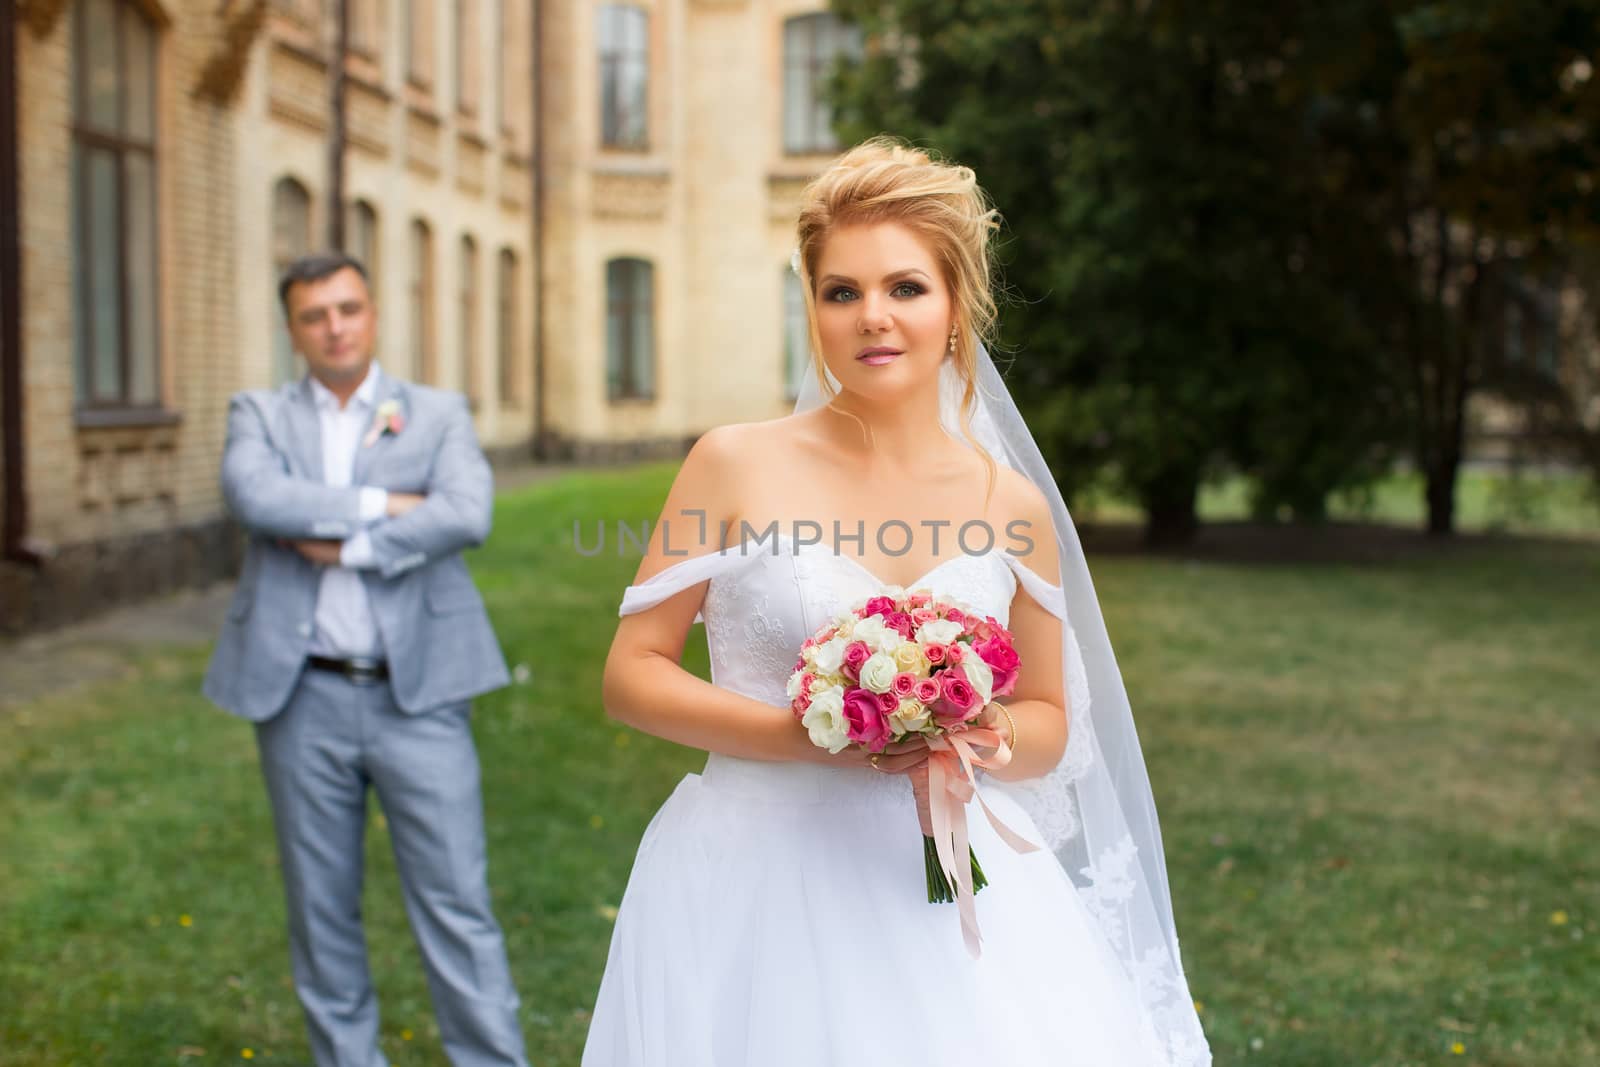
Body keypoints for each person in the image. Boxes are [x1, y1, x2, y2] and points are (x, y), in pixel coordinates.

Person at [583, 139, 1211, 1066]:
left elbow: (1048, 719)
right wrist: (819, 731)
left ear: (956, 305)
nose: (873, 317)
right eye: (842, 291)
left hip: (954, 889)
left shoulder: (1011, 503)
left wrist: (967, 729)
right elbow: (632, 676)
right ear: (813, 306)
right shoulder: (731, 462)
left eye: (906, 288)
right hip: (755, 879)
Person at [202, 253, 529, 1067]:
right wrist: (385, 505)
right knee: (321, 910)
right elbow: (255, 497)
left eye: (347, 309)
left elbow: (466, 512)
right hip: (300, 698)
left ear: (373, 314)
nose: (334, 327)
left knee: (456, 902)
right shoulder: (259, 414)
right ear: (293, 330)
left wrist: (342, 546)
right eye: (315, 315)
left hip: (420, 697)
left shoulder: (437, 412)